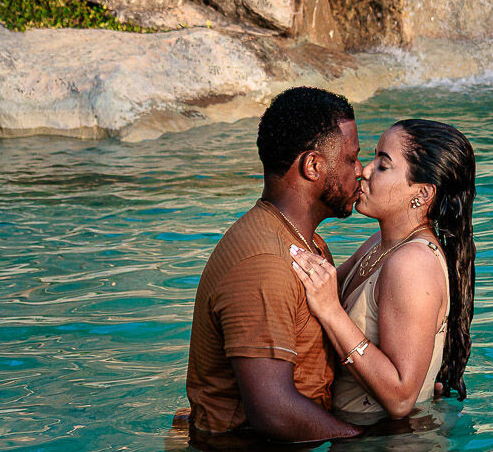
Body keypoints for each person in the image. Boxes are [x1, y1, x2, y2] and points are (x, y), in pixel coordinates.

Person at [186, 87, 365, 445]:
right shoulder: (265, 264)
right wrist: (366, 442)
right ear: (313, 166)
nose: (361, 170)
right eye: (351, 159)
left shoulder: (306, 243)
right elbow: (272, 412)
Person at [289, 119, 477, 426]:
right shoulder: (379, 242)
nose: (364, 171)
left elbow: (400, 398)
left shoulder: (413, 263)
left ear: (423, 193)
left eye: (383, 165)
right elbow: (317, 288)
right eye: (373, 157)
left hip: (385, 440)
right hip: (349, 431)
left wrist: (331, 312)